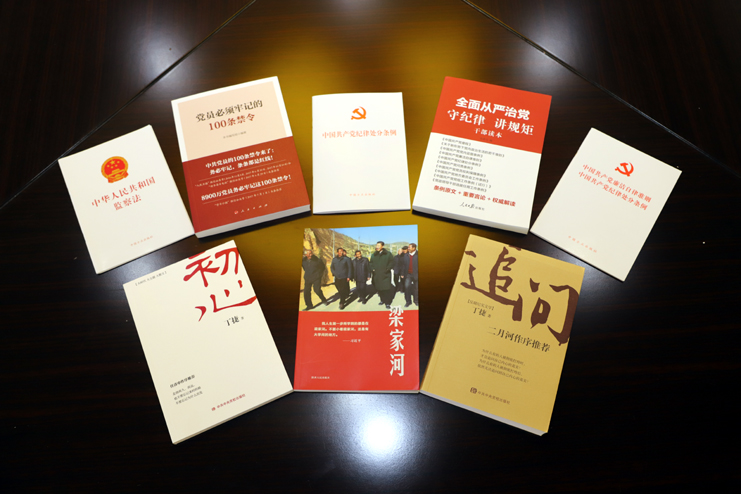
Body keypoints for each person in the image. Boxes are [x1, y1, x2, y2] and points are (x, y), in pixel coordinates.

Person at [369, 241, 395, 309]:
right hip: (377, 275)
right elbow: (370, 263)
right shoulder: (374, 255)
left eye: (378, 245)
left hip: (385, 275)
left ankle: (387, 303)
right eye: (376, 245)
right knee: (379, 289)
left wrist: (387, 269)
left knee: (386, 289)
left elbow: (392, 262)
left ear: (382, 246)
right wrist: (373, 269)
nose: (377, 247)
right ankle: (382, 300)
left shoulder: (388, 254)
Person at [402, 242, 419, 308]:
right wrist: (402, 273)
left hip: (416, 275)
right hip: (408, 275)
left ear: (414, 248)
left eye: (409, 247)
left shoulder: (418, 255)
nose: (408, 248)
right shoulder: (406, 255)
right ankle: (408, 302)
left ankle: (416, 301)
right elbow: (403, 265)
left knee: (416, 289)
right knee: (407, 288)